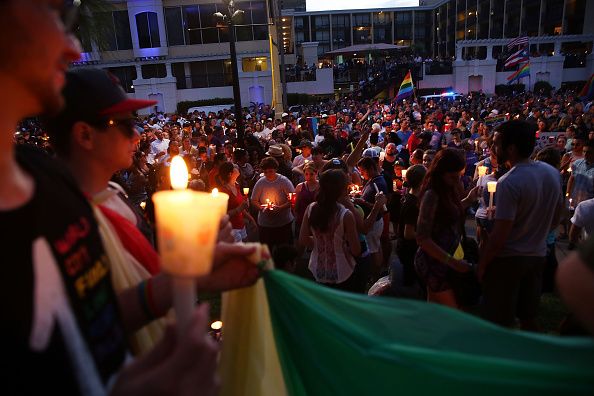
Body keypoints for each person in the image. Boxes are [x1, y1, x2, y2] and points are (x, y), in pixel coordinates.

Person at [0, 2, 256, 394]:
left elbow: (88, 322)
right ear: (84, 136)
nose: (73, 48)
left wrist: (180, 279)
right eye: (56, 14)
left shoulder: (46, 178)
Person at [478, 120, 564, 330]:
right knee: (528, 317)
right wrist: (538, 232)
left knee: (501, 320)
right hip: (538, 255)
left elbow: (500, 236)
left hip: (509, 260)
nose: (492, 149)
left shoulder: (509, 181)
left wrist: (482, 265)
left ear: (511, 148)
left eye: (497, 144)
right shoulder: (550, 172)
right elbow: (558, 213)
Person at [414, 149, 479, 308]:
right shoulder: (432, 194)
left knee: (434, 309)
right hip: (433, 261)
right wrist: (453, 263)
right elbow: (422, 238)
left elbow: (449, 213)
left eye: (459, 175)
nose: (456, 180)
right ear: (440, 172)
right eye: (452, 176)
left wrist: (469, 200)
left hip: (443, 259)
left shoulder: (446, 190)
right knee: (453, 312)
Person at [299, 169, 361, 290]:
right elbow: (356, 250)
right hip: (342, 271)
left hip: (317, 269)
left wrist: (320, 243)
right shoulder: (345, 215)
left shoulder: (311, 209)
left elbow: (303, 239)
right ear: (342, 190)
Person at [251, 157, 295, 254]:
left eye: (270, 171)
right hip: (265, 224)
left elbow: (292, 199)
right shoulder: (261, 182)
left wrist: (280, 208)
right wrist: (261, 208)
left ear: (275, 169)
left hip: (283, 223)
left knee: (283, 251)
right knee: (267, 251)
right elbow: (254, 200)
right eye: (265, 172)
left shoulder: (284, 181)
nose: (268, 174)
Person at [396, 164, 427, 288]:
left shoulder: (411, 197)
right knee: (411, 284)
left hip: (407, 248)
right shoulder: (412, 204)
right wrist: (428, 235)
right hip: (409, 251)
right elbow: (408, 233)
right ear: (422, 182)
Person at [218, 162, 254, 242]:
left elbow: (241, 207)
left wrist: (251, 218)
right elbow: (222, 215)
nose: (236, 167)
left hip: (240, 225)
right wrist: (238, 209)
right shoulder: (224, 191)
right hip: (232, 228)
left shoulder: (236, 186)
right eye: (234, 167)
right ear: (230, 174)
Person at [294, 162, 319, 237]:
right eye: (306, 174)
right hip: (302, 218)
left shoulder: (320, 186)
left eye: (311, 174)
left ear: (316, 173)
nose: (309, 177)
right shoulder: (300, 186)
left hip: (316, 219)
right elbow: (296, 204)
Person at [566, 138, 594, 206]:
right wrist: (568, 193)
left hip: (589, 204)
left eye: (589, 152)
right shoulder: (577, 163)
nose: (585, 154)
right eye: (584, 151)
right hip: (575, 201)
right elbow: (571, 178)